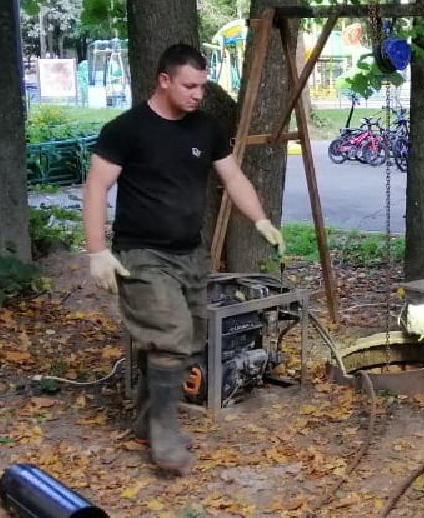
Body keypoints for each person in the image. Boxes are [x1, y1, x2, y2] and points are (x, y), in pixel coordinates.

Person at [81, 44, 284, 475]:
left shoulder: (205, 129)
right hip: (141, 253)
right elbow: (96, 187)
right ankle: (164, 429)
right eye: (189, 86)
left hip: (190, 254)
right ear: (165, 80)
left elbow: (233, 177)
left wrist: (261, 219)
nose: (197, 94)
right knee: (171, 334)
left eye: (202, 87)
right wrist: (97, 251)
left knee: (187, 341)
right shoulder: (127, 129)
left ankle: (146, 419)